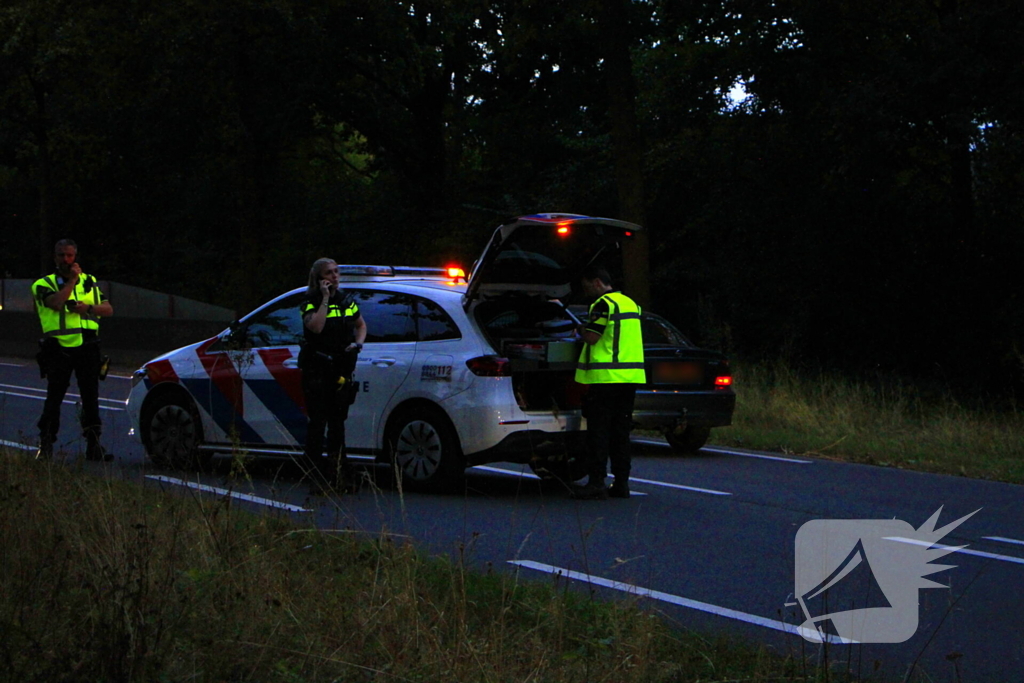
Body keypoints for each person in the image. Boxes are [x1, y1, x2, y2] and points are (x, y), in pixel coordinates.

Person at [33, 239, 114, 461]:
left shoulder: (90, 282)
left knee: (91, 397)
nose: (66, 260)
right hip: (58, 347)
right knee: (55, 396)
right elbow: (56, 303)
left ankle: (94, 444)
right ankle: (46, 444)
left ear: (75, 256)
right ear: (55, 257)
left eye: (70, 255)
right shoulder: (44, 283)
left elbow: (107, 309)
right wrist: (71, 282)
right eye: (61, 255)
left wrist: (87, 308)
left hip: (88, 345)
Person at [571, 265, 646, 499]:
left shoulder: (603, 305)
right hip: (629, 378)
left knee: (599, 432)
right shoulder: (629, 303)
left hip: (606, 379)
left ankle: (596, 483)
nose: (587, 292)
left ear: (596, 282)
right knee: (621, 432)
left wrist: (580, 329)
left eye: (586, 287)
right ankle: (622, 483)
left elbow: (593, 337)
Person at [299, 258, 367, 494]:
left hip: (340, 369)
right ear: (319, 279)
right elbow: (315, 327)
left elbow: (360, 325)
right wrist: (325, 298)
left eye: (337, 271)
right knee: (317, 425)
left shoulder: (346, 300)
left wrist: (357, 345)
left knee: (337, 425)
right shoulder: (310, 301)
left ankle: (338, 475)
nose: (335, 276)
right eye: (329, 273)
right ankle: (316, 477)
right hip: (316, 370)